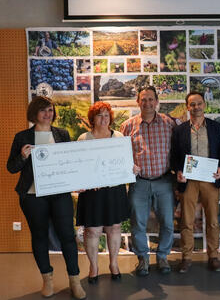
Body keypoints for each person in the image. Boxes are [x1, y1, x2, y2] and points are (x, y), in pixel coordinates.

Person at [6, 96, 86, 299]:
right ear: (34, 113)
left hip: (59, 194)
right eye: (43, 111)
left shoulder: (62, 134)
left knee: (68, 235)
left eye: (50, 110)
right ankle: (47, 279)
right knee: (39, 236)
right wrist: (23, 157)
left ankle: (74, 280)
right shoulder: (22, 137)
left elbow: (70, 163)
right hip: (33, 196)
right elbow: (11, 168)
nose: (47, 114)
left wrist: (78, 182)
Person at [120, 86, 176, 277]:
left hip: (164, 181)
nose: (147, 103)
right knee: (138, 224)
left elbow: (178, 150)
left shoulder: (169, 124)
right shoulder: (127, 126)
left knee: (168, 223)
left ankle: (162, 256)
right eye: (143, 99)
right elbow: (121, 156)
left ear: (157, 101)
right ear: (138, 102)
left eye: (151, 99)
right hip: (139, 183)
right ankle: (143, 259)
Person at [76, 102, 132, 284]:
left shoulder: (119, 137)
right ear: (92, 119)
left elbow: (125, 163)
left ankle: (113, 264)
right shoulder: (84, 139)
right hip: (92, 193)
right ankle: (94, 266)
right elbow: (79, 167)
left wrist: (133, 168)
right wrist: (84, 182)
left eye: (106, 115)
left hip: (114, 190)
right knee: (92, 231)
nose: (103, 118)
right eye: (99, 115)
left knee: (114, 228)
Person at [171, 92, 220, 273]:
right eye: (192, 104)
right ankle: (186, 257)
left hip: (210, 179)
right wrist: (178, 171)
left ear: (204, 105)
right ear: (188, 107)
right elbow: (174, 156)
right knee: (186, 221)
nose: (196, 107)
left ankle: (213, 256)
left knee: (212, 220)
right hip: (189, 180)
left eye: (199, 103)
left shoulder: (215, 127)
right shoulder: (179, 130)